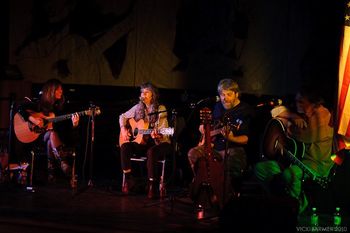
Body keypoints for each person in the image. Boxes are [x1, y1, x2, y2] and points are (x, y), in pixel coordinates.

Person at [254, 85, 334, 214]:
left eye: (301, 102)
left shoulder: (323, 115)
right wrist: (293, 116)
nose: (297, 104)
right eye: (296, 101)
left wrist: (289, 125)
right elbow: (275, 112)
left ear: (313, 103)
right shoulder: (302, 113)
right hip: (295, 159)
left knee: (289, 174)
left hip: (315, 164)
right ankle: (278, 200)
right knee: (260, 169)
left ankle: (295, 208)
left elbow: (304, 136)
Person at [187, 78, 254, 205]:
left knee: (229, 159)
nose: (225, 98)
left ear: (236, 94)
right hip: (214, 147)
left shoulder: (245, 110)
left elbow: (246, 139)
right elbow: (212, 126)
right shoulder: (217, 106)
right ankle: (205, 186)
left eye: (229, 94)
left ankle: (225, 197)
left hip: (234, 148)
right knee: (193, 153)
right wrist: (204, 129)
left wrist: (232, 138)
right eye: (222, 94)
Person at [16, 79, 79, 182]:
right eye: (58, 90)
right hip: (36, 138)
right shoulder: (39, 104)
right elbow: (20, 108)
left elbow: (67, 133)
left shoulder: (59, 109)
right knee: (51, 134)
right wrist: (33, 120)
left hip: (52, 139)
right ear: (51, 91)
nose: (61, 92)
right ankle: (63, 163)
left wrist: (75, 125)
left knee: (51, 137)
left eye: (61, 90)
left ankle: (51, 173)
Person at [119, 82, 173, 198]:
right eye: (142, 92)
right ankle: (128, 181)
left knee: (152, 152)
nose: (143, 94)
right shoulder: (138, 108)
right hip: (143, 143)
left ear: (152, 95)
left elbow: (165, 131)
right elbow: (122, 116)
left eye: (146, 92)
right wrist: (123, 128)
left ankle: (152, 186)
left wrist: (158, 135)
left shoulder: (161, 109)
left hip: (160, 142)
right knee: (125, 147)